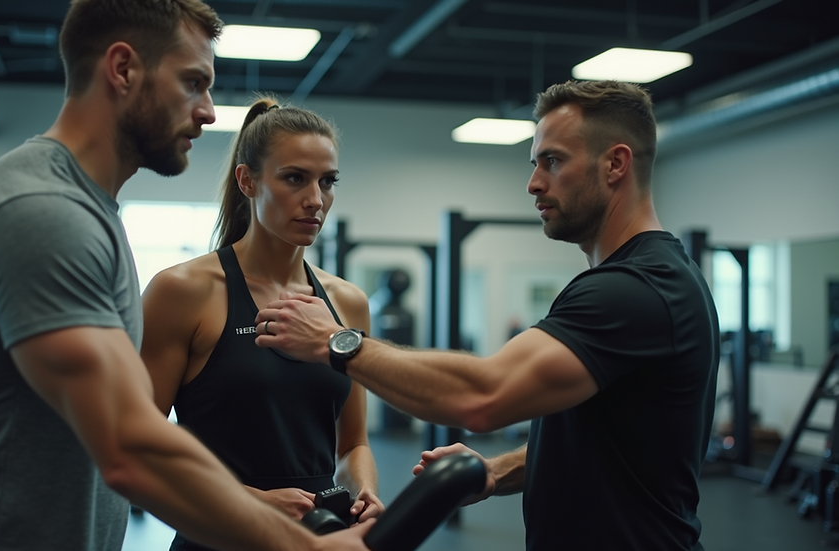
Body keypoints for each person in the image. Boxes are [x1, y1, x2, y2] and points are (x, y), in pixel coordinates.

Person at [0, 1, 369, 550]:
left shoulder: (91, 215)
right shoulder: (43, 212)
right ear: (123, 70)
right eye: (193, 83)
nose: (209, 112)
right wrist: (302, 543)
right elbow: (129, 443)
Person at [253, 80, 720, 551]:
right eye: (535, 163)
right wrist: (496, 471)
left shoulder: (634, 289)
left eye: (553, 161)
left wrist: (337, 343)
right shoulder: (644, 279)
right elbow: (602, 447)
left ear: (616, 164)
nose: (534, 182)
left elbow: (483, 395)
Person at [140, 98, 384, 551]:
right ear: (247, 180)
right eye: (294, 178)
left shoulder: (348, 302)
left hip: (321, 535)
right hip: (218, 535)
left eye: (327, 182)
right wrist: (250, 501)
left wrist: (364, 489)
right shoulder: (182, 291)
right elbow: (139, 449)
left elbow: (352, 444)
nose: (316, 200)